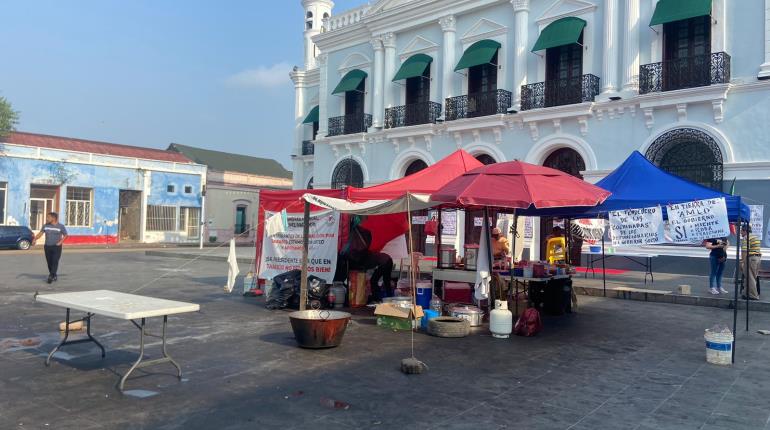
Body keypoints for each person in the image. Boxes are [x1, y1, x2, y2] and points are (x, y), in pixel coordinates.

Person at [342, 219, 393, 303]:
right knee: (385, 280)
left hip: (385, 262)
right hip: (388, 260)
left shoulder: (366, 255)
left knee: (374, 280)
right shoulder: (367, 253)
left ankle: (377, 298)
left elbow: (367, 267)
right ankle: (388, 297)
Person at [32, 212, 68, 284]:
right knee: (49, 262)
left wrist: (60, 242)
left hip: (56, 247)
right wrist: (35, 239)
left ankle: (51, 276)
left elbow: (66, 235)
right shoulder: (45, 226)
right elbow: (40, 233)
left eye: (48, 217)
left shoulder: (60, 226)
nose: (47, 219)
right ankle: (54, 275)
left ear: (53, 218)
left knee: (55, 261)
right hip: (47, 246)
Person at [740, 225, 762, 300]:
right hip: (757, 258)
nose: (740, 232)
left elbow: (744, 251)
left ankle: (753, 295)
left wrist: (742, 262)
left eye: (741, 231)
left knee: (750, 277)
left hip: (751, 258)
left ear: (745, 231)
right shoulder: (755, 237)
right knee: (751, 276)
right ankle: (746, 293)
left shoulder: (746, 237)